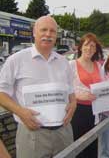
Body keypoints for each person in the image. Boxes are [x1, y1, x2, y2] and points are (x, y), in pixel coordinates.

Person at [0, 16, 76, 158]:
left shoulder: (63, 62)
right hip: (32, 134)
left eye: (52, 31)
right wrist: (21, 112)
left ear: (56, 35)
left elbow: (71, 92)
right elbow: (1, 94)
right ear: (34, 32)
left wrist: (73, 104)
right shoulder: (15, 60)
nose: (48, 34)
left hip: (63, 132)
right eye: (44, 30)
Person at [69, 33, 103, 158]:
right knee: (78, 146)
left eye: (93, 46)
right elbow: (65, 89)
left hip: (95, 111)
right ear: (80, 47)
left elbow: (104, 86)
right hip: (78, 111)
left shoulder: (98, 65)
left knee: (93, 145)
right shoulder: (71, 65)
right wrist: (78, 96)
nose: (89, 49)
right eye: (86, 45)